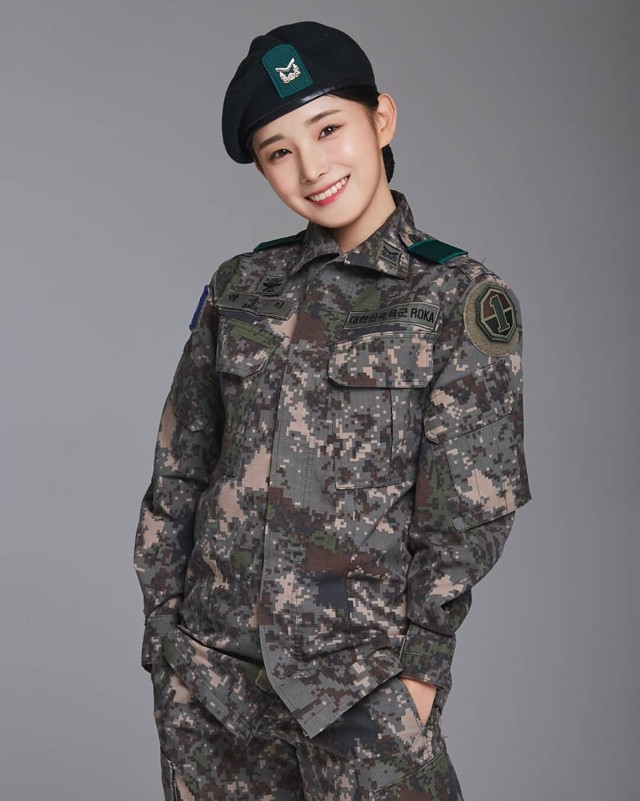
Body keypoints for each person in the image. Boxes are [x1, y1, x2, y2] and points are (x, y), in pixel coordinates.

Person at [134, 20, 531, 801]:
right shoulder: (241, 287)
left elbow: (468, 511)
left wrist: (420, 673)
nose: (312, 167)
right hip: (212, 683)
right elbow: (179, 471)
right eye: (279, 151)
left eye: (327, 129)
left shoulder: (457, 296)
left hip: (359, 687)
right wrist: (165, 638)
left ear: (381, 119)